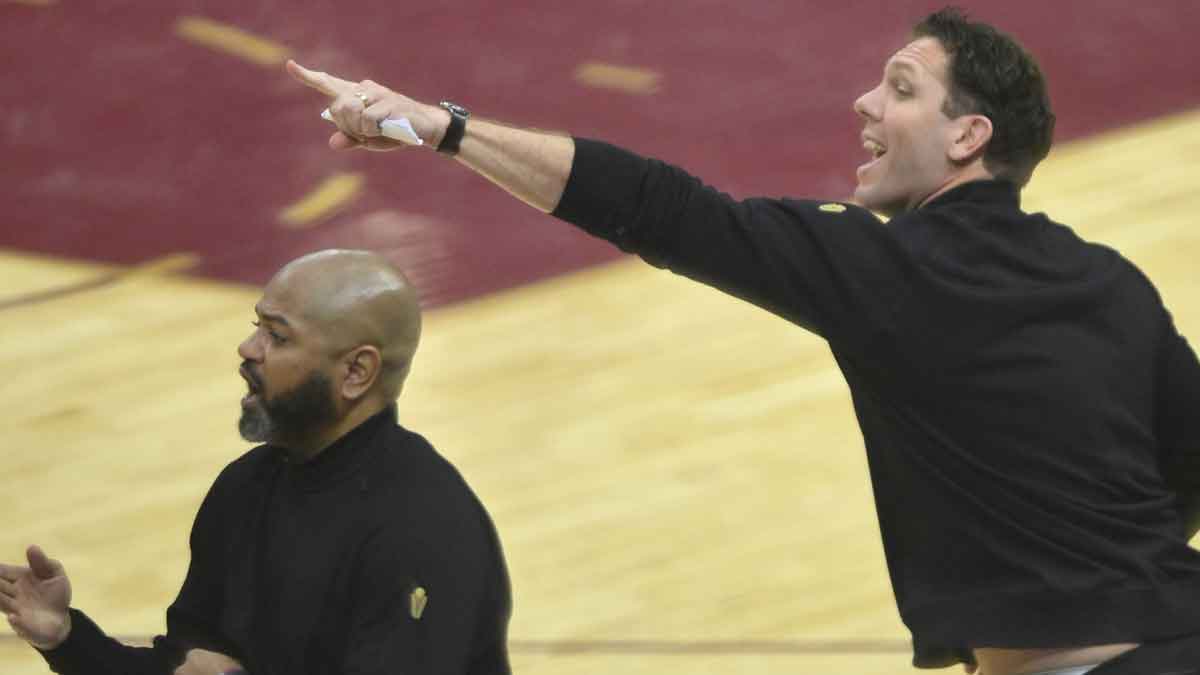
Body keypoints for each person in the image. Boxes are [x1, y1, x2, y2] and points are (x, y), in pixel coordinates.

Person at [285, 7, 1200, 675]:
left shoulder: (884, 270)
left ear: (969, 135)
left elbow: (661, 209)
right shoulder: (1108, 278)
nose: (865, 102)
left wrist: (439, 126)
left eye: (901, 87)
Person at [0, 250, 513, 675]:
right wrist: (67, 638)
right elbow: (190, 666)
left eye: (278, 335)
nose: (248, 349)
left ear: (356, 371)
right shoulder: (246, 489)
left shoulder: (423, 532)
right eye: (256, 327)